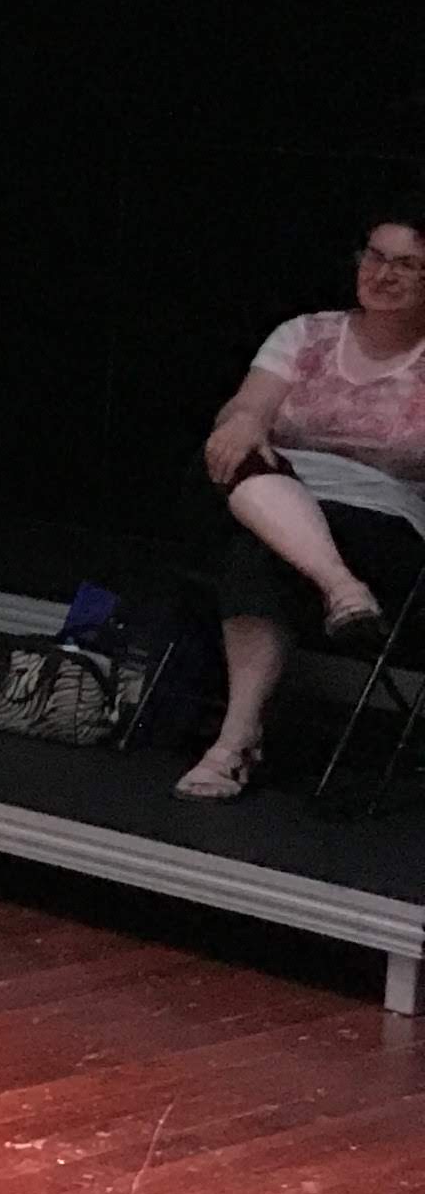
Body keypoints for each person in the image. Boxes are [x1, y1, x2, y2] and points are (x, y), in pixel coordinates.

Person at [181, 215, 425, 799]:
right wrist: (244, 423)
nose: (383, 274)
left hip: (380, 520)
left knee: (258, 550)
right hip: (270, 490)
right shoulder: (306, 334)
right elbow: (248, 406)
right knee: (236, 468)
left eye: (406, 265)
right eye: (374, 257)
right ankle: (341, 590)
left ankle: (235, 743)